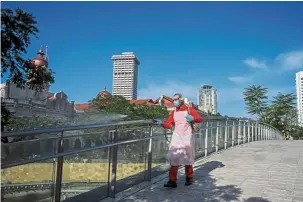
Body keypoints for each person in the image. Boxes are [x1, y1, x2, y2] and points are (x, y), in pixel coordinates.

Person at [155, 93, 203, 188]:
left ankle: (189, 177)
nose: (174, 102)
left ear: (181, 100)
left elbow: (200, 119)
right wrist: (162, 124)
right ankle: (172, 181)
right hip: (176, 135)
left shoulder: (189, 109)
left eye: (175, 100)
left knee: (187, 157)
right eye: (173, 100)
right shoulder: (173, 112)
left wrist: (193, 118)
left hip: (188, 135)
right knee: (174, 157)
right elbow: (170, 124)